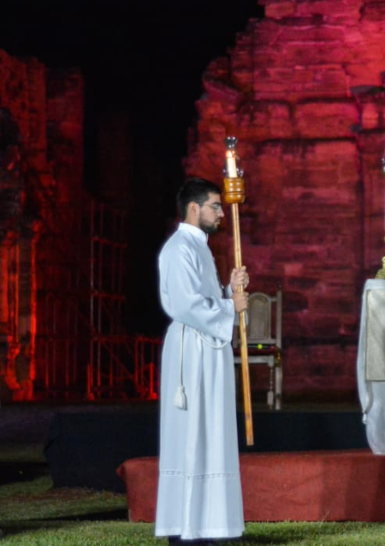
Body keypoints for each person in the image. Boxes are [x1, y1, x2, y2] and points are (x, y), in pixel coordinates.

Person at [155, 178, 249, 544]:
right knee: (194, 433)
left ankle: (210, 523)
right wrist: (229, 307)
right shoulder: (179, 248)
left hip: (208, 347)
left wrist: (228, 290)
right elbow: (183, 304)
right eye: (215, 206)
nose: (221, 213)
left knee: (211, 431)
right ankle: (188, 525)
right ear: (193, 208)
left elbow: (202, 297)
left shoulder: (200, 247)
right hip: (191, 352)